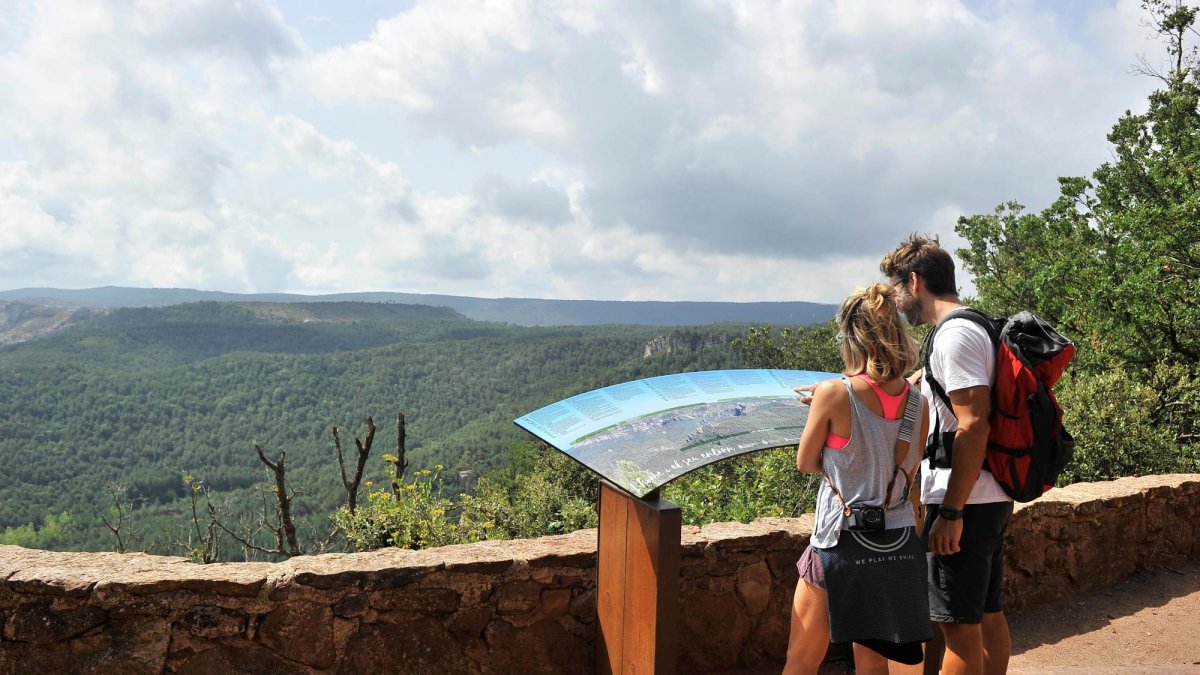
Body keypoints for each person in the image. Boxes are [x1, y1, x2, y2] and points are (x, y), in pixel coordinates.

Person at [880, 234, 1014, 675]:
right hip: (988, 493)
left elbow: (974, 422)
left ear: (914, 281)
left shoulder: (955, 336)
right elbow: (932, 391)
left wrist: (952, 511)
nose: (898, 303)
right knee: (986, 614)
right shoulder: (974, 327)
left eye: (897, 289)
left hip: (966, 500)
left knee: (957, 627)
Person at [784, 284, 931, 675]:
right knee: (875, 667)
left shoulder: (833, 393)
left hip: (839, 541)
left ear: (851, 336)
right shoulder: (920, 402)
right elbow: (908, 470)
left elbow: (807, 462)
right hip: (896, 544)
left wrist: (827, 404)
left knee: (800, 661)